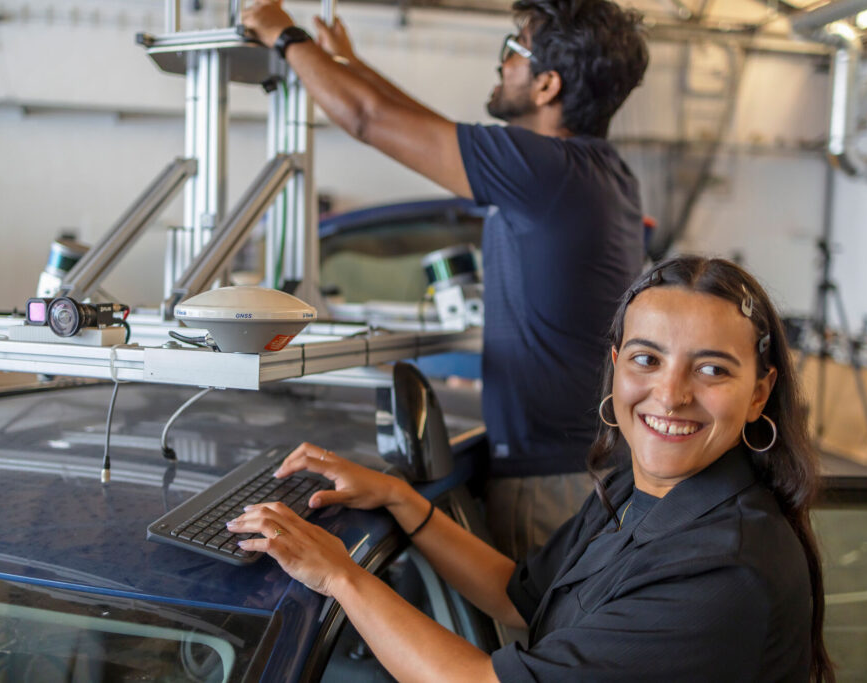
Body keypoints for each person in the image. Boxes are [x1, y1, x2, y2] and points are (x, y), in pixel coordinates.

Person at [227, 256, 835, 682]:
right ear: (617, 364)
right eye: (648, 359)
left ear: (760, 393)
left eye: (712, 370)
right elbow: (521, 595)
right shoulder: (641, 484)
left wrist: (339, 577)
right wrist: (399, 501)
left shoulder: (725, 574)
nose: (670, 395)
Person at [242, 0, 649, 558]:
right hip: (578, 469)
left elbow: (368, 120)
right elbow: (415, 122)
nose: (501, 63)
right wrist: (348, 63)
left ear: (547, 85)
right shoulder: (594, 171)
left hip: (548, 484)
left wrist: (280, 33)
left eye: (514, 51)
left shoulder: (544, 171)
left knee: (534, 638)